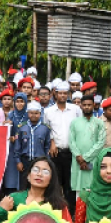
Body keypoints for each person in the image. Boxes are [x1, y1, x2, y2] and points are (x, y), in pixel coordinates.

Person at [44, 81, 82, 214]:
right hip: (56, 153)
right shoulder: (48, 111)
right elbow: (46, 130)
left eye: (65, 93)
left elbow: (80, 127)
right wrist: (52, 142)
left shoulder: (75, 110)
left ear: (68, 94)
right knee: (55, 183)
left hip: (72, 152)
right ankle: (55, 211)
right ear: (55, 94)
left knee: (70, 185)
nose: (62, 96)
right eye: (60, 93)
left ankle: (71, 213)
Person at [69, 95, 106, 193]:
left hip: (93, 160)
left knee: (93, 188)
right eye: (84, 105)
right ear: (80, 106)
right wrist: (78, 156)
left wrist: (85, 158)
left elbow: (101, 142)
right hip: (77, 160)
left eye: (89, 105)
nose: (86, 107)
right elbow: (71, 141)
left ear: (93, 105)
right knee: (78, 189)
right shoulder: (74, 122)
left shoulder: (99, 123)